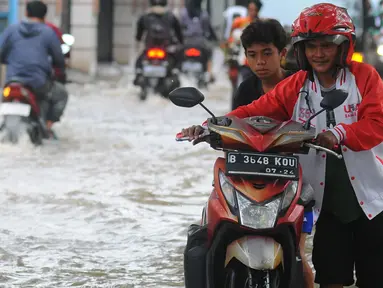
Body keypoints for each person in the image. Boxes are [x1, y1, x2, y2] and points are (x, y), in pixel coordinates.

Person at [181, 3, 383, 288]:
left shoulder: (364, 77)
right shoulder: (296, 85)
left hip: (374, 199)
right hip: (326, 207)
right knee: (331, 278)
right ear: (301, 49)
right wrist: (206, 126)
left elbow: (377, 123)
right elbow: (255, 110)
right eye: (311, 46)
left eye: (326, 45)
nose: (319, 53)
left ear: (342, 46)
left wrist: (337, 134)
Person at [231, 18, 314, 288]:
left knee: (299, 257)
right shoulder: (245, 89)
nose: (260, 62)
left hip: (297, 179)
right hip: (253, 178)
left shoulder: (300, 86)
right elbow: (234, 129)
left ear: (283, 53)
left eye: (267, 53)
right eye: (252, 55)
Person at [0, 0, 68, 138]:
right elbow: (59, 59)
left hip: (11, 82)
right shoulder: (48, 32)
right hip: (38, 83)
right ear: (44, 15)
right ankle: (47, 127)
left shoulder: (11, 30)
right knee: (62, 94)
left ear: (26, 13)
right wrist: (61, 73)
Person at [133, 0, 183, 86]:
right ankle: (174, 75)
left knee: (139, 61)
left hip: (150, 47)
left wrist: (139, 38)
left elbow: (139, 34)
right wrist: (180, 41)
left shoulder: (145, 16)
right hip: (165, 48)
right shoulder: (170, 16)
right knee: (175, 64)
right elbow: (178, 32)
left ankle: (139, 74)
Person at [178, 0, 218, 82]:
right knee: (210, 54)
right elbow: (209, 31)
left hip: (186, 43)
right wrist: (215, 39)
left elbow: (178, 29)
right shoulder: (204, 14)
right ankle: (210, 73)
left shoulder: (183, 13)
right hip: (200, 44)